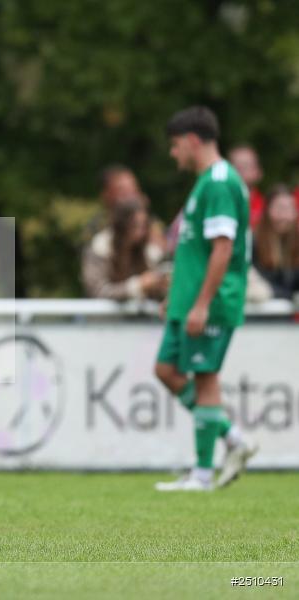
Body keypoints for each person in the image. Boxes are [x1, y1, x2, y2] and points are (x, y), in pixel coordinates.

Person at [153, 106, 256, 493]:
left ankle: (201, 474)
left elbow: (223, 249)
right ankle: (233, 438)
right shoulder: (205, 182)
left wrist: (200, 304)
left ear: (193, 141)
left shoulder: (219, 182)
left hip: (211, 302)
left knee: (205, 379)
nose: (172, 153)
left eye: (176, 145)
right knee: (165, 369)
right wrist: (178, 296)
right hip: (189, 300)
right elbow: (196, 251)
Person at [81, 199, 167, 300]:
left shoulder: (148, 252)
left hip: (138, 315)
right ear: (122, 225)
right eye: (135, 226)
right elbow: (98, 292)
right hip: (101, 314)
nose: (141, 233)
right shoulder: (100, 248)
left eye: (144, 226)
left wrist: (159, 286)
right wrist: (138, 285)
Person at [252, 185, 299, 299]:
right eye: (280, 208)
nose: (284, 215)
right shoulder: (254, 242)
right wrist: (289, 296)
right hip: (262, 311)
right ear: (267, 210)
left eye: (289, 209)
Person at [227, 145, 265, 229]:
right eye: (238, 166)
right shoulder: (223, 203)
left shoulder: (267, 206)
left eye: (247, 165)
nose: (242, 171)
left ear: (259, 171)